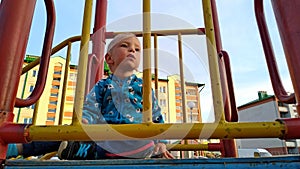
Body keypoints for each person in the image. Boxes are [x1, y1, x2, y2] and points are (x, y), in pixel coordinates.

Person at [58, 33, 174, 160]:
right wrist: (85, 120)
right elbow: (91, 108)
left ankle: (87, 151)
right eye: (125, 46)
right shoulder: (103, 85)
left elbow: (156, 117)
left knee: (147, 143)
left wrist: (162, 142)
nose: (132, 50)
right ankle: (82, 149)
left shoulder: (143, 87)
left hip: (135, 138)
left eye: (137, 49)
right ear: (109, 58)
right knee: (62, 133)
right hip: (108, 137)